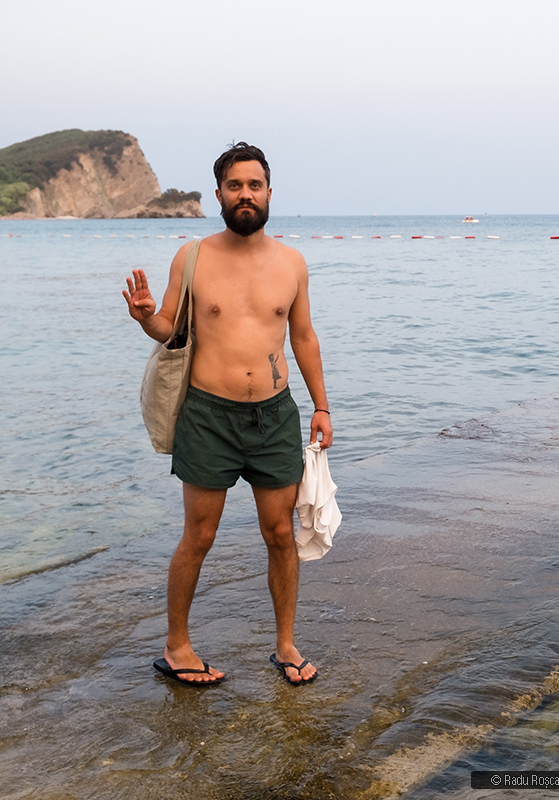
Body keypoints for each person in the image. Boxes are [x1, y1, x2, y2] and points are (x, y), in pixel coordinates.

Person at [123, 143, 332, 686]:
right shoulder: (192, 257)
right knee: (199, 534)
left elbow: (303, 336)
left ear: (268, 193)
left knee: (279, 534)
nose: (245, 194)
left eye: (254, 185)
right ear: (218, 194)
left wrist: (322, 407)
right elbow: (171, 327)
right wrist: (147, 318)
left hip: (275, 416)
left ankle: (285, 645)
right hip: (208, 415)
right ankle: (178, 647)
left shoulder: (291, 264)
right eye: (235, 186)